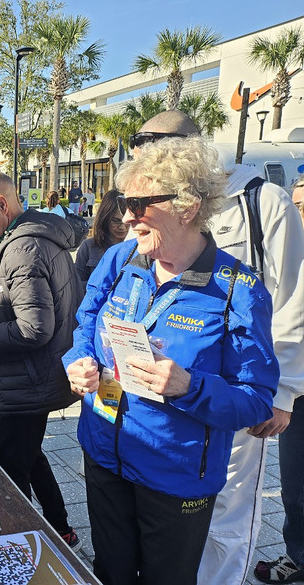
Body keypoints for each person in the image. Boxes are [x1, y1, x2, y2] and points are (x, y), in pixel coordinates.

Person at [63, 136, 279, 585]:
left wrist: (188, 386)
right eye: (124, 201)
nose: (126, 216)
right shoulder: (121, 259)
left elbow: (256, 401)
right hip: (104, 452)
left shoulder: (238, 290)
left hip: (175, 476)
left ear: (187, 207)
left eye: (138, 204)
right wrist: (78, 361)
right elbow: (86, 324)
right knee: (111, 573)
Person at [132, 110, 304, 585]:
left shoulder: (260, 201)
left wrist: (283, 392)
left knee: (229, 504)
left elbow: (293, 297)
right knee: (170, 500)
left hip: (239, 391)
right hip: (168, 388)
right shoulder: (151, 204)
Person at [0, 171, 83, 551]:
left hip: (28, 380)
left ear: (2, 205)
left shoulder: (23, 247)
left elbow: (34, 327)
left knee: (10, 470)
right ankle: (60, 528)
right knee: (27, 454)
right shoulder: (29, 238)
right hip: (33, 377)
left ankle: (18, 549)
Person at [74, 189, 127, 289]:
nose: (122, 227)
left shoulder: (142, 249)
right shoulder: (88, 246)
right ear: (105, 218)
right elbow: (76, 285)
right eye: (116, 221)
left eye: (127, 222)